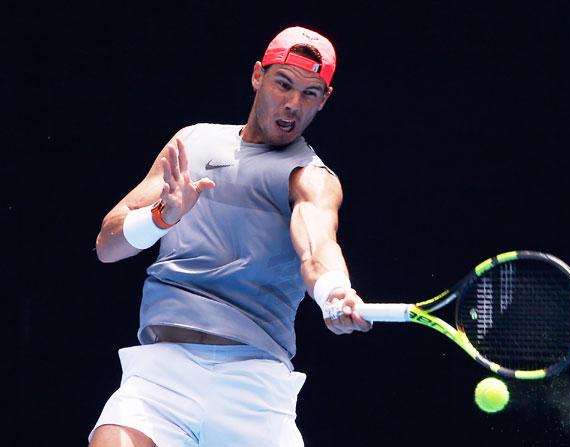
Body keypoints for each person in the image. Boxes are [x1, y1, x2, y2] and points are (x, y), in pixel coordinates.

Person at [89, 26, 371, 447]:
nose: (293, 104)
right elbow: (107, 246)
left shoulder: (310, 178)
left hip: (254, 390)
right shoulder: (192, 143)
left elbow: (317, 247)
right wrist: (163, 216)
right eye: (283, 84)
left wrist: (334, 292)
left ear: (324, 101)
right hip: (161, 379)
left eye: (311, 93)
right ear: (258, 76)